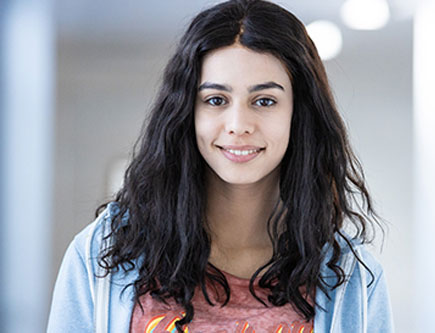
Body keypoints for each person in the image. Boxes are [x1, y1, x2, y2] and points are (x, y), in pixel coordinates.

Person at [47, 0, 394, 332]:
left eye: (264, 101)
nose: (238, 124)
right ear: (187, 113)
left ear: (298, 114)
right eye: (216, 100)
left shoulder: (351, 278)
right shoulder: (104, 254)